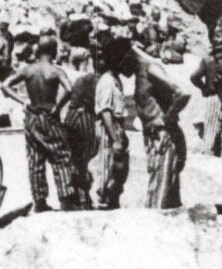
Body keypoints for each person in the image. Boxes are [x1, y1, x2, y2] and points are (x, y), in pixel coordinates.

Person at [1, 36, 79, 212]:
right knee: (61, 156)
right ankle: (66, 198)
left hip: (32, 115)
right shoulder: (55, 71)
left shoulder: (28, 70)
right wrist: (58, 106)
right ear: (53, 51)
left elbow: (5, 85)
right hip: (49, 115)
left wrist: (23, 101)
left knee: (35, 158)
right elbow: (69, 89)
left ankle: (40, 201)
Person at [109, 39, 190, 208]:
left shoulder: (151, 68)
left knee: (158, 195)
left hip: (162, 134)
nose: (121, 72)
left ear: (127, 57)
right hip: (155, 134)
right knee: (167, 194)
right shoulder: (141, 72)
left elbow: (183, 93)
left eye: (120, 66)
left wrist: (167, 118)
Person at [95, 40, 131, 210]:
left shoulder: (116, 79)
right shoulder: (107, 81)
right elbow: (105, 112)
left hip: (117, 126)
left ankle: (112, 201)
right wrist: (115, 139)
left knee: (119, 169)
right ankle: (104, 201)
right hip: (108, 128)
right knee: (108, 166)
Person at [63, 50, 101, 209]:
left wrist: (58, 110)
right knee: (83, 159)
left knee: (74, 158)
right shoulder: (100, 80)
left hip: (71, 116)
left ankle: (77, 195)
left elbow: (68, 94)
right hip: (85, 117)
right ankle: (84, 197)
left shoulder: (81, 79)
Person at [191, 36, 222, 156]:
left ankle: (209, 153)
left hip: (213, 96)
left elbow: (194, 77)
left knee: (210, 128)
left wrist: (204, 88)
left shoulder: (207, 60)